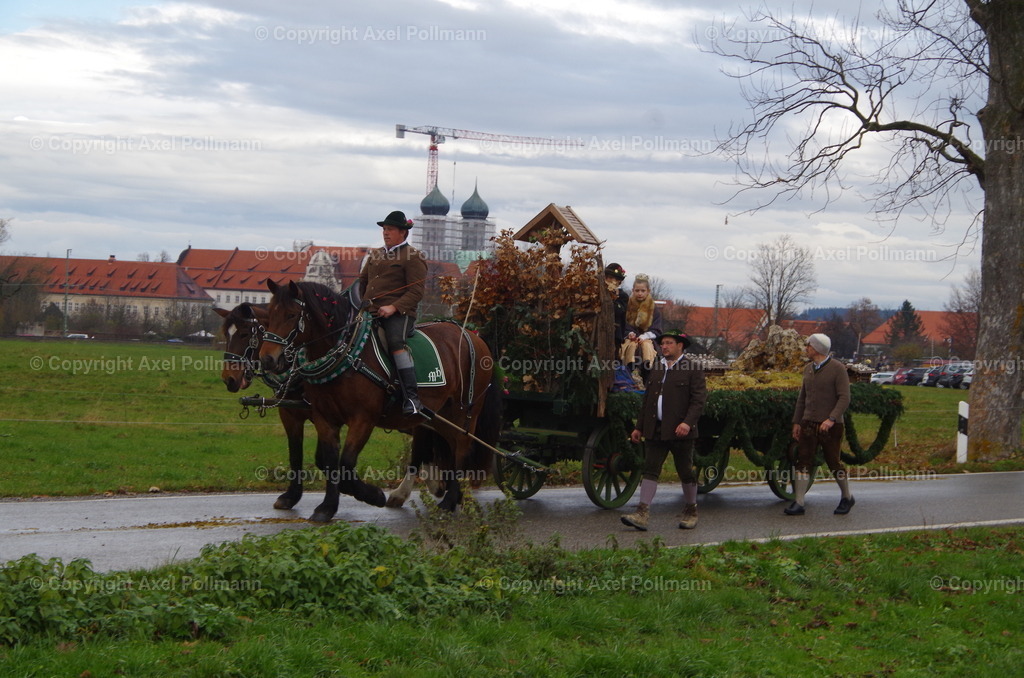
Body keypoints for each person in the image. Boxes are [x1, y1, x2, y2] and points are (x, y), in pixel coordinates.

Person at [621, 330, 707, 531]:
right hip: (656, 428)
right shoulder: (657, 368)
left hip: (680, 431)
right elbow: (648, 400)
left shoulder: (693, 368)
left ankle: (691, 510)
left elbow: (698, 400)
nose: (664, 346)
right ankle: (642, 513)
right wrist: (639, 427)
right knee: (650, 469)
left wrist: (687, 423)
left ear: (680, 346)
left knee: (685, 471)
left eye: (669, 343)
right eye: (662, 343)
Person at [358, 210, 429, 415]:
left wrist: (394, 307)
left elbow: (416, 291)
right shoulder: (375, 254)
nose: (385, 233)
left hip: (400, 315)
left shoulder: (413, 257)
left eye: (390, 229)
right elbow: (362, 282)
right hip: (370, 311)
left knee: (395, 341)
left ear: (402, 233)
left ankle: (412, 398)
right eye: (384, 229)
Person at [786, 333, 853, 515]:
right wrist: (797, 422)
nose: (806, 348)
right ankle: (799, 502)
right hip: (808, 423)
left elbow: (844, 397)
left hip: (831, 426)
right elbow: (802, 398)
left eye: (808, 345)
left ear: (817, 348)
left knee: (833, 462)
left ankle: (847, 497)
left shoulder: (838, 369)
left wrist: (831, 419)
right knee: (803, 461)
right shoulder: (808, 369)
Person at [619, 273, 662, 369]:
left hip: (648, 340)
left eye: (643, 291)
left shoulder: (654, 309)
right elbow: (623, 324)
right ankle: (628, 367)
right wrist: (630, 333)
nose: (640, 293)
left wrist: (645, 336)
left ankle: (648, 367)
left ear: (648, 291)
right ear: (633, 290)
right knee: (629, 347)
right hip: (630, 339)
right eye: (637, 290)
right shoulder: (627, 307)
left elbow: (657, 330)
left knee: (647, 347)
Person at [604, 262, 629, 351]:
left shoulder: (623, 296)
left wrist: (614, 298)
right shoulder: (597, 293)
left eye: (616, 279)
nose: (612, 281)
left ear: (619, 282)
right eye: (610, 278)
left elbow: (618, 312)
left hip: (615, 335)